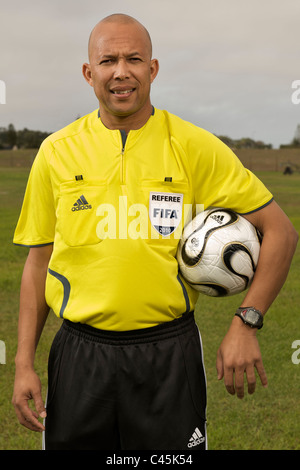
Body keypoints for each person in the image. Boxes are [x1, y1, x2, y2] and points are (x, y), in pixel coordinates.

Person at [12, 14, 298, 450]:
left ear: (153, 69)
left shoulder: (194, 145)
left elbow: (280, 230)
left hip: (168, 351)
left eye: (134, 59)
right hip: (79, 355)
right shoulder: (56, 152)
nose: (121, 71)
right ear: (89, 73)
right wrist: (22, 363)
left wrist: (247, 322)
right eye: (108, 60)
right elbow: (38, 262)